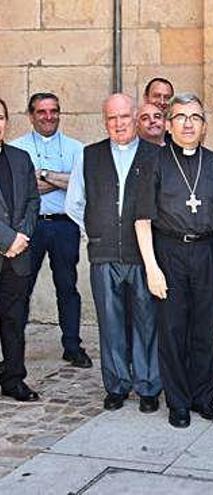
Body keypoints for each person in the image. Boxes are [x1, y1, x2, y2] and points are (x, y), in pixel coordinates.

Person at [135, 93, 213, 428]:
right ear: (169, 124)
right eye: (181, 117)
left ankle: (204, 397)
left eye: (195, 117)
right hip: (169, 252)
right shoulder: (155, 162)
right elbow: (142, 218)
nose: (188, 124)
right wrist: (152, 267)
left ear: (204, 126)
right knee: (172, 330)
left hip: (208, 251)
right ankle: (178, 402)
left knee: (205, 328)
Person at [66, 93, 162, 413]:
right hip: (104, 255)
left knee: (147, 322)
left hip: (142, 256)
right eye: (112, 118)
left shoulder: (155, 154)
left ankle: (148, 386)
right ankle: (117, 385)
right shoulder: (89, 155)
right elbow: (74, 203)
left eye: (124, 116)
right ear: (105, 121)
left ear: (135, 116)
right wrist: (95, 231)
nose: (118, 124)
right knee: (110, 323)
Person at [11, 93, 91, 369]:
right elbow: (22, 189)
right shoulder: (16, 147)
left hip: (63, 224)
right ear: (31, 115)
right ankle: (13, 350)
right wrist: (59, 179)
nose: (48, 116)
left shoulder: (76, 148)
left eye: (53, 111)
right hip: (28, 227)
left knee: (67, 287)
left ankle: (72, 345)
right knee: (20, 288)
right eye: (42, 112)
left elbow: (79, 184)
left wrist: (42, 175)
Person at [0, 97, 41, 402]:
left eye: (0, 118)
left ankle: (14, 379)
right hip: (10, 247)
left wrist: (23, 235)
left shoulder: (20, 157)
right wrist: (8, 239)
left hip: (19, 257)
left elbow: (32, 200)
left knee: (15, 321)